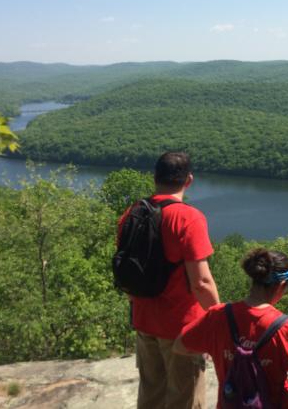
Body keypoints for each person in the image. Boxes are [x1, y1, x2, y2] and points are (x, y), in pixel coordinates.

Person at [119, 151, 220, 409]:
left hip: (143, 321)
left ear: (155, 177)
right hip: (181, 328)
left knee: (151, 395)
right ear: (189, 180)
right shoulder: (188, 218)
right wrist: (219, 319)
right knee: (185, 399)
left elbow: (126, 270)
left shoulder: (132, 213)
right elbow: (202, 283)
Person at [174, 248, 288, 408]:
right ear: (281, 285)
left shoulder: (217, 317)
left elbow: (179, 346)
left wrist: (217, 349)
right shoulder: (287, 330)